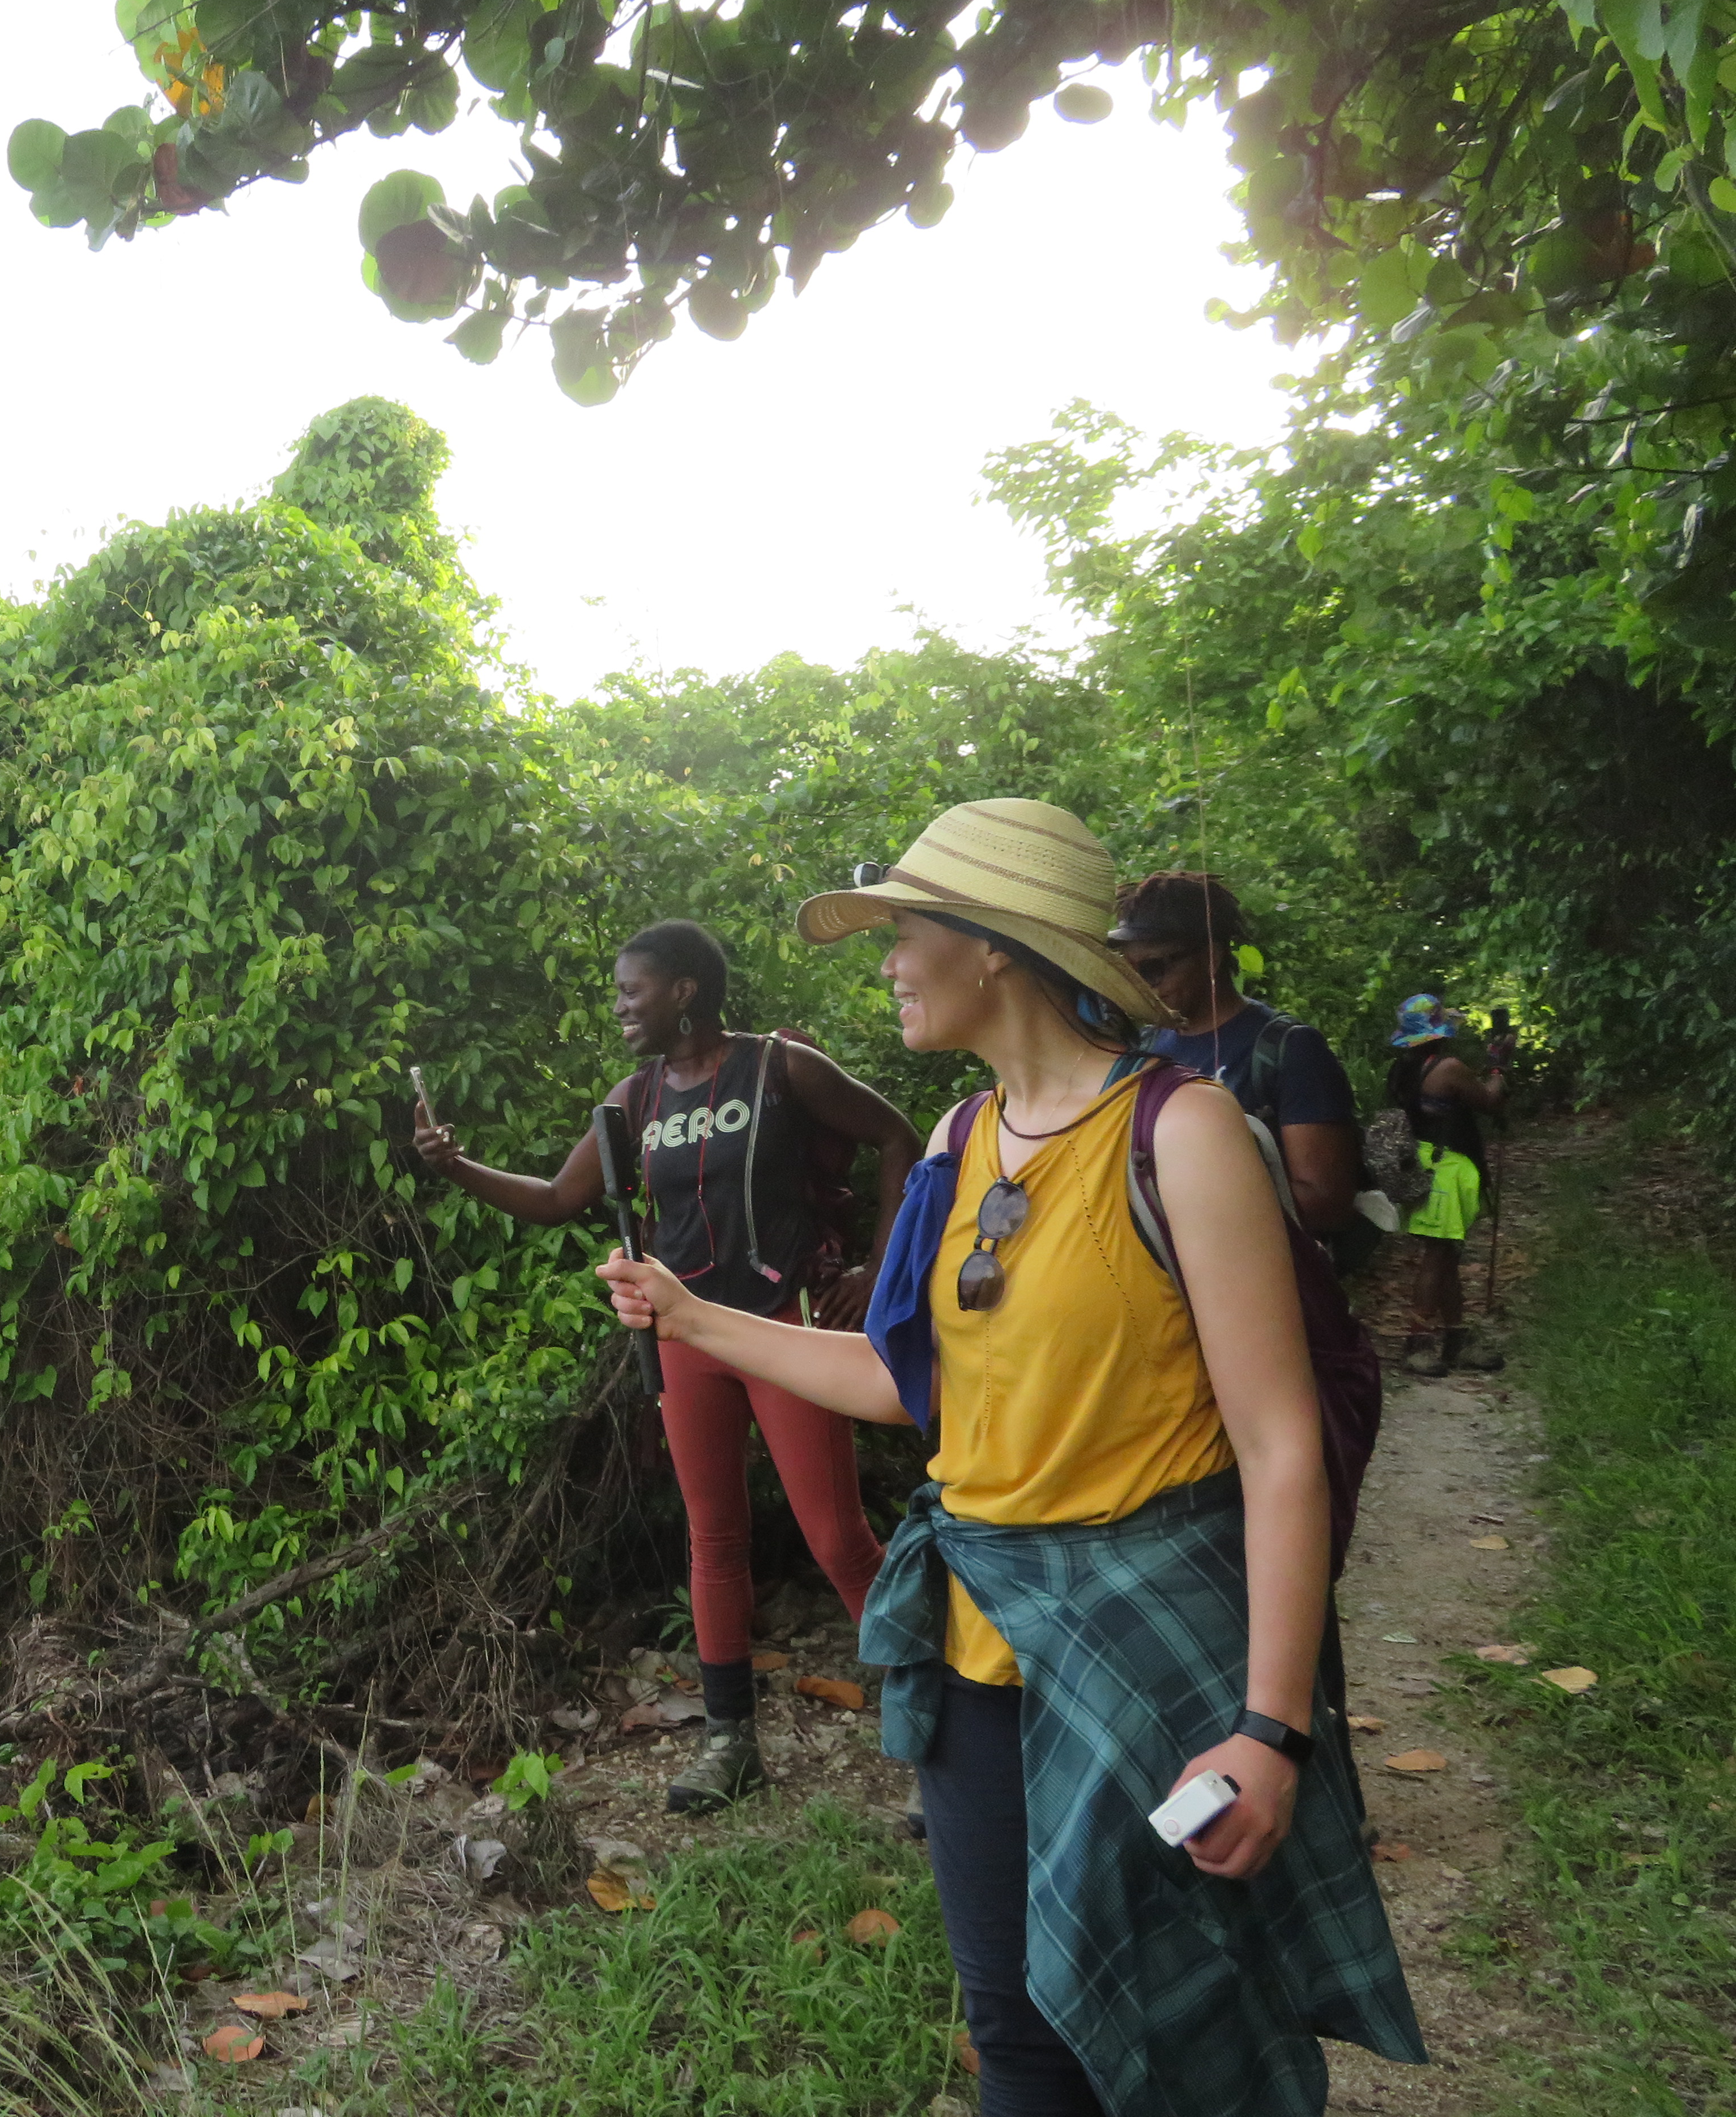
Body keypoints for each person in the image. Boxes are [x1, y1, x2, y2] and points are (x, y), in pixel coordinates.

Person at [594, 801, 1421, 2117]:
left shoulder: (1183, 1130)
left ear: (992, 943)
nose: (886, 964)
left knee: (1191, 2011)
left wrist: (1271, 1728)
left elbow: (1277, 1446)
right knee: (1019, 2030)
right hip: (977, 1648)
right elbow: (897, 1381)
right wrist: (691, 1318)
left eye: (904, 933)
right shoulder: (955, 1141)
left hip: (1150, 1654)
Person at [413, 917, 922, 1813]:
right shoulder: (636, 1098)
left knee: (838, 1538)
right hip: (686, 1336)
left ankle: (934, 1734)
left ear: (684, 991)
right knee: (713, 1537)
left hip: (782, 1327)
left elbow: (899, 1137)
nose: (619, 1006)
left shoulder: (779, 1068)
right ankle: (731, 1742)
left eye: (631, 990)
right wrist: (456, 1167)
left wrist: (876, 1274)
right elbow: (556, 1199)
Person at [1109, 871, 1368, 1256]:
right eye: (1130, 972)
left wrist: (1190, 1203)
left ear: (1211, 958)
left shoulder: (1291, 1049)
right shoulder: (1145, 1047)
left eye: (1153, 969)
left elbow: (1325, 1201)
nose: (1143, 985)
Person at [1385, 994, 1510, 1377]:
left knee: (1445, 1254)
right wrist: (1499, 1064)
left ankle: (1457, 1338)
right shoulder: (1449, 1068)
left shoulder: (1403, 1069)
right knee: (1438, 1255)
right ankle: (1418, 1342)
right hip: (1446, 1167)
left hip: (1421, 1163)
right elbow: (1490, 1101)